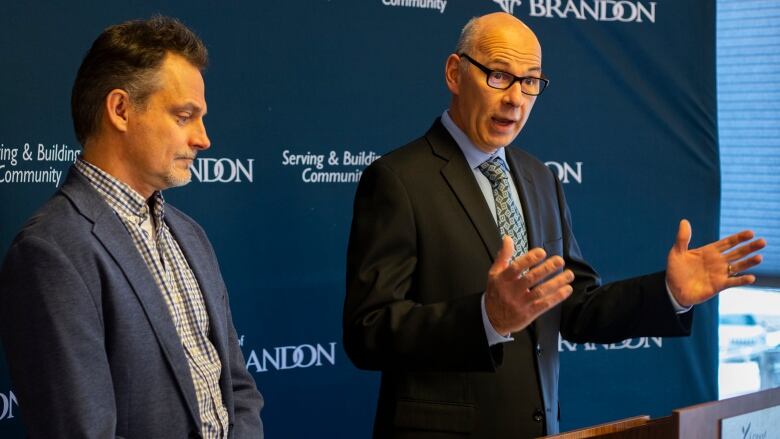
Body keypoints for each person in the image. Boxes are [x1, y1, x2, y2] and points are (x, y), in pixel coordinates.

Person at [343, 12, 764, 439]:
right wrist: (487, 318)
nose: (516, 99)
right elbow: (368, 331)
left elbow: (576, 307)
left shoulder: (539, 176)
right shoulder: (398, 179)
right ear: (455, 73)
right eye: (499, 76)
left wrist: (668, 293)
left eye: (530, 82)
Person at [0, 16, 263, 438]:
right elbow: (83, 432)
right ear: (120, 109)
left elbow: (238, 388)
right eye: (184, 116)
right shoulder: (51, 252)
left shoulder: (191, 235)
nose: (203, 138)